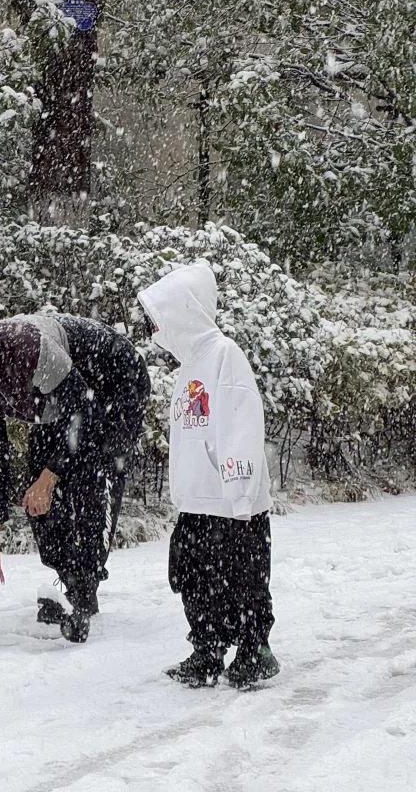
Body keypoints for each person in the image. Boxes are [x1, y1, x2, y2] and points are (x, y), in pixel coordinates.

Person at [0, 309, 151, 642]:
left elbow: (84, 415)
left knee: (92, 474)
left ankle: (83, 589)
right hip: (61, 401)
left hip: (114, 379)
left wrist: (50, 476)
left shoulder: (29, 350)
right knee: (36, 496)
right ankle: (69, 579)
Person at [138, 260, 280, 688]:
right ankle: (207, 649)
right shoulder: (188, 367)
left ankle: (256, 650)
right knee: (194, 578)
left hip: (232, 501)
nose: (157, 330)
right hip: (197, 500)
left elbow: (241, 422)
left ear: (186, 312)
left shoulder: (224, 354)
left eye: (161, 319)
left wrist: (240, 490)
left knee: (242, 579)